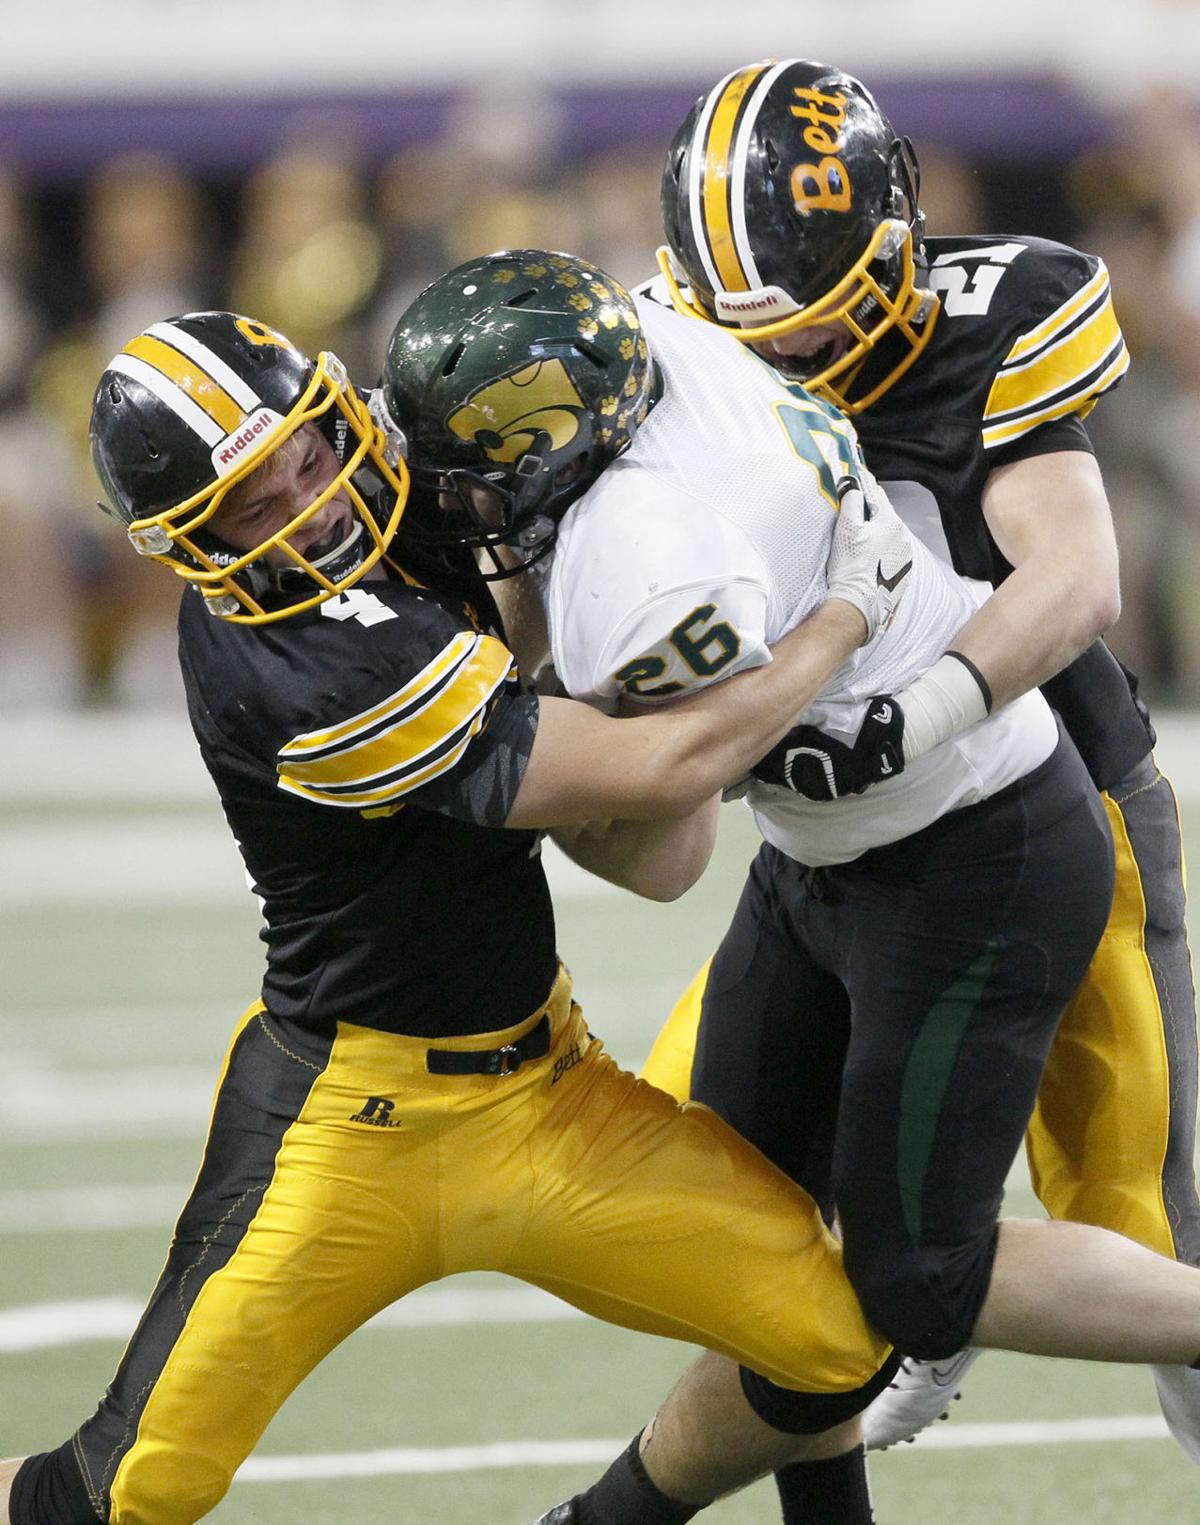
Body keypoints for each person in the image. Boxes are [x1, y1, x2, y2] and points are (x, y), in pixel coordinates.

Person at [0, 306, 923, 1525]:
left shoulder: (405, 492)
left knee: (840, 1338)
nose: (311, 500)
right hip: (348, 1124)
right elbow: (655, 778)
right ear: (192, 543)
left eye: (306, 453)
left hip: (549, 1089)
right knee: (119, 1492)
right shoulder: (301, 669)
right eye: (254, 501)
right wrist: (841, 616)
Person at [380, 246, 1200, 1525]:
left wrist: (509, 775)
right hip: (835, 856)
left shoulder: (646, 562)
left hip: (971, 860)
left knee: (920, 1276)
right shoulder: (662, 342)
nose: (474, 512)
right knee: (763, 1250)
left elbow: (665, 855)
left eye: (489, 479)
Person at [641, 55, 1200, 1468]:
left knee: (1146, 1199)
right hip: (840, 841)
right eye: (754, 340)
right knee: (736, 1160)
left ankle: (934, 1304)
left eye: (820, 331)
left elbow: (1074, 576)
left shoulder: (1002, 307)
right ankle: (908, 1310)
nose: (787, 366)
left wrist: (921, 711)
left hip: (1052, 803)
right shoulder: (665, 342)